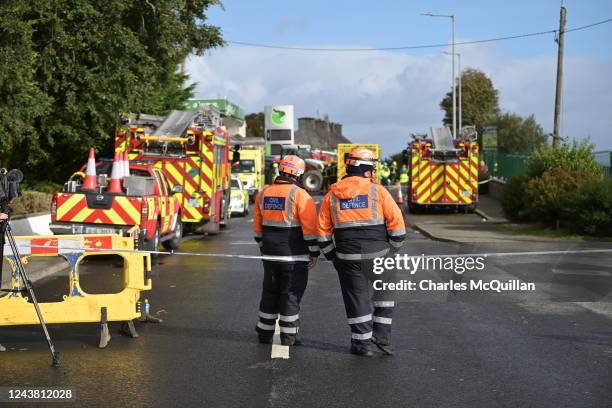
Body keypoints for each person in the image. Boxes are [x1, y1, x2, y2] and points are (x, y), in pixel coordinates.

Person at [318, 147, 406, 357]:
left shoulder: (331, 196)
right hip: (379, 255)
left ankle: (362, 345)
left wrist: (333, 257)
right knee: (384, 296)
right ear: (367, 171)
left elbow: (321, 233)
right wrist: (392, 251)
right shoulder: (378, 191)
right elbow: (398, 226)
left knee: (356, 299)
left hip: (347, 258)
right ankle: (382, 337)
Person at [253, 155, 319, 346]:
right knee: (291, 294)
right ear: (298, 174)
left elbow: (257, 230)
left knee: (270, 292)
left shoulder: (263, 193)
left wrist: (264, 248)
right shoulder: (300, 195)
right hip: (294, 256)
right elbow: (310, 230)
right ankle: (289, 337)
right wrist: (314, 253)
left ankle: (264, 334)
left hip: (270, 255)